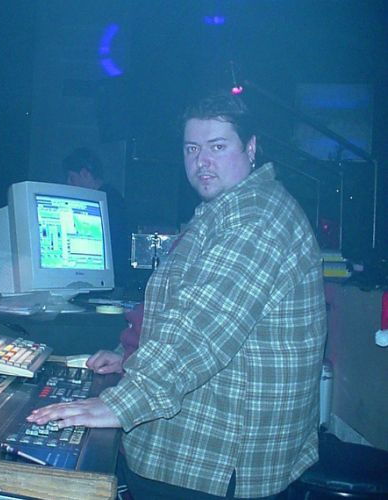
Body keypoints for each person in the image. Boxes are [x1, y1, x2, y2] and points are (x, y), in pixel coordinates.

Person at [28, 91, 327, 499]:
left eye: (217, 147)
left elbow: (201, 329)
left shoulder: (256, 218)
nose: (202, 161)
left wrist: (122, 403)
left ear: (251, 148)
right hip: (207, 437)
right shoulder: (225, 209)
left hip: (216, 462)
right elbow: (179, 308)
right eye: (192, 149)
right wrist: (129, 356)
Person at [62, 147, 129, 287]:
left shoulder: (106, 202)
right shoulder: (113, 196)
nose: (68, 183)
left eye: (71, 178)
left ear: (85, 174)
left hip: (111, 283)